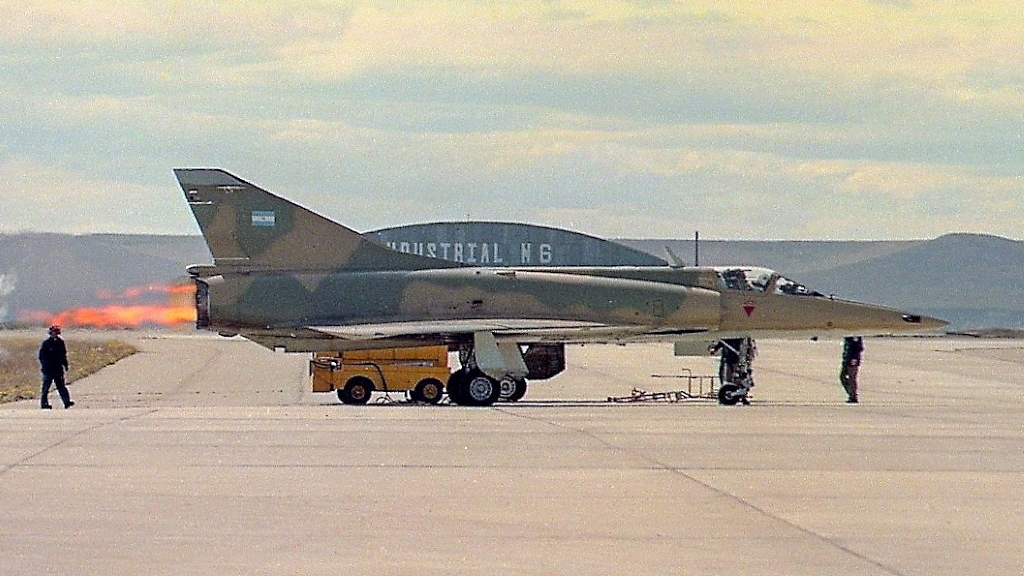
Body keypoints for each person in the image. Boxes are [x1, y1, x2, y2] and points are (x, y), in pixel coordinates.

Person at [39, 325, 74, 409]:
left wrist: (65, 365)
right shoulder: (46, 343)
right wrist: (45, 365)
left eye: (56, 332)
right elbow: (41, 356)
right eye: (54, 332)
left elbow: (63, 355)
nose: (55, 333)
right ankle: (44, 404)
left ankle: (66, 402)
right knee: (46, 388)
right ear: (50, 333)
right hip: (48, 370)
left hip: (58, 369)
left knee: (61, 386)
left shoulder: (60, 343)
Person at [840, 336, 863, 403]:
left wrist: (854, 358)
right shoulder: (848, 337)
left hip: (852, 359)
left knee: (851, 378)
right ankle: (851, 394)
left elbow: (858, 348)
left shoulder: (855, 336)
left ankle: (853, 396)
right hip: (846, 359)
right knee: (842, 377)